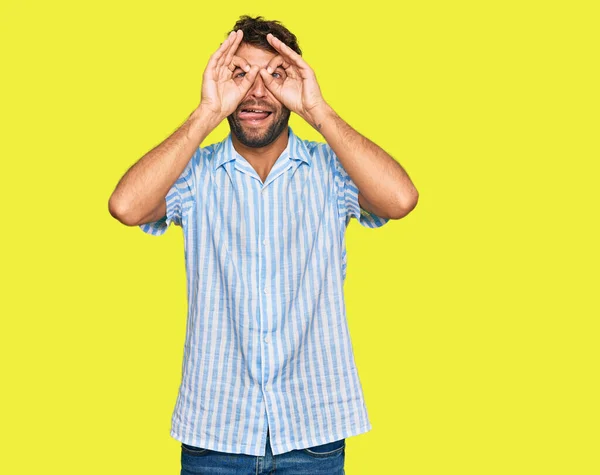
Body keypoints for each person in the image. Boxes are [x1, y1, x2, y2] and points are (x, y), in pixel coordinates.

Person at [109, 15, 418, 475]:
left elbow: (400, 198)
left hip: (312, 432)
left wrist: (319, 111)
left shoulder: (329, 170)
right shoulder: (195, 174)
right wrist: (207, 112)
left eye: (274, 75)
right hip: (215, 433)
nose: (256, 92)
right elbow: (126, 206)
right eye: (240, 74)